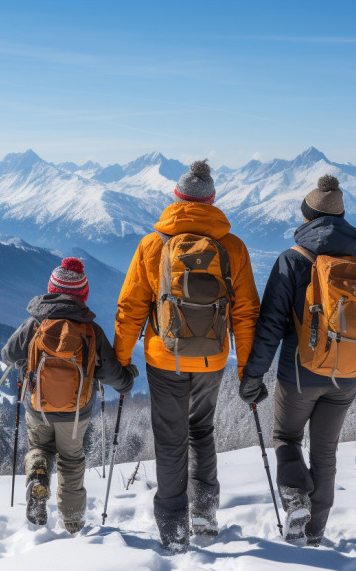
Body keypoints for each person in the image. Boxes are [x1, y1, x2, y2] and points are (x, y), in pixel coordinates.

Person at [114, 160, 260, 551]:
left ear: (176, 199)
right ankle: (205, 512)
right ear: (211, 201)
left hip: (165, 358)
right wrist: (247, 371)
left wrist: (121, 361)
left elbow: (130, 308)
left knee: (170, 438)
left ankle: (173, 525)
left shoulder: (153, 244)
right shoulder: (232, 247)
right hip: (213, 358)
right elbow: (246, 313)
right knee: (201, 430)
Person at [239, 174, 356, 547]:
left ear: (307, 217)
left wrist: (253, 377)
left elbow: (270, 327)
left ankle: (295, 502)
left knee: (286, 437)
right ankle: (315, 534)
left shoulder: (292, 260)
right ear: (342, 218)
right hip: (347, 375)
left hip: (299, 375)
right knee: (325, 454)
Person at [2, 257, 137, 534]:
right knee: (71, 461)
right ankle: (73, 522)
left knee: (39, 448)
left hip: (38, 407)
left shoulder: (35, 324)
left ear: (51, 289)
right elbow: (111, 373)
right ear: (83, 295)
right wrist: (127, 381)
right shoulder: (91, 331)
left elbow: (8, 354)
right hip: (76, 412)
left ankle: (38, 476)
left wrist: (24, 364)